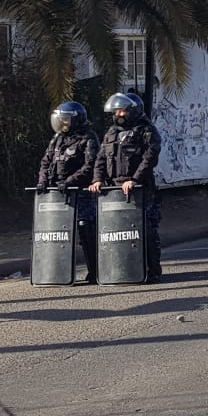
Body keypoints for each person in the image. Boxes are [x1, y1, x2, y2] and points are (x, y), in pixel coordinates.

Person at [90, 92, 164, 283]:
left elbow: (149, 159)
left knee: (146, 230)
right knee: (114, 232)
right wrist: (97, 179)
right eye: (116, 111)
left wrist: (134, 180)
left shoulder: (146, 131)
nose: (119, 115)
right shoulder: (111, 133)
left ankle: (151, 270)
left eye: (122, 111)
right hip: (113, 191)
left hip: (140, 189)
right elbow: (100, 159)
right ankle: (118, 270)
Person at [37, 101, 101, 282]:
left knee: (85, 229)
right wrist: (43, 181)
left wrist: (70, 181)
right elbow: (45, 162)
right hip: (56, 194)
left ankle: (95, 272)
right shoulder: (57, 139)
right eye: (60, 119)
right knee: (55, 231)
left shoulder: (88, 138)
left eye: (66, 119)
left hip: (80, 193)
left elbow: (91, 165)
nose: (62, 123)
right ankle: (55, 274)